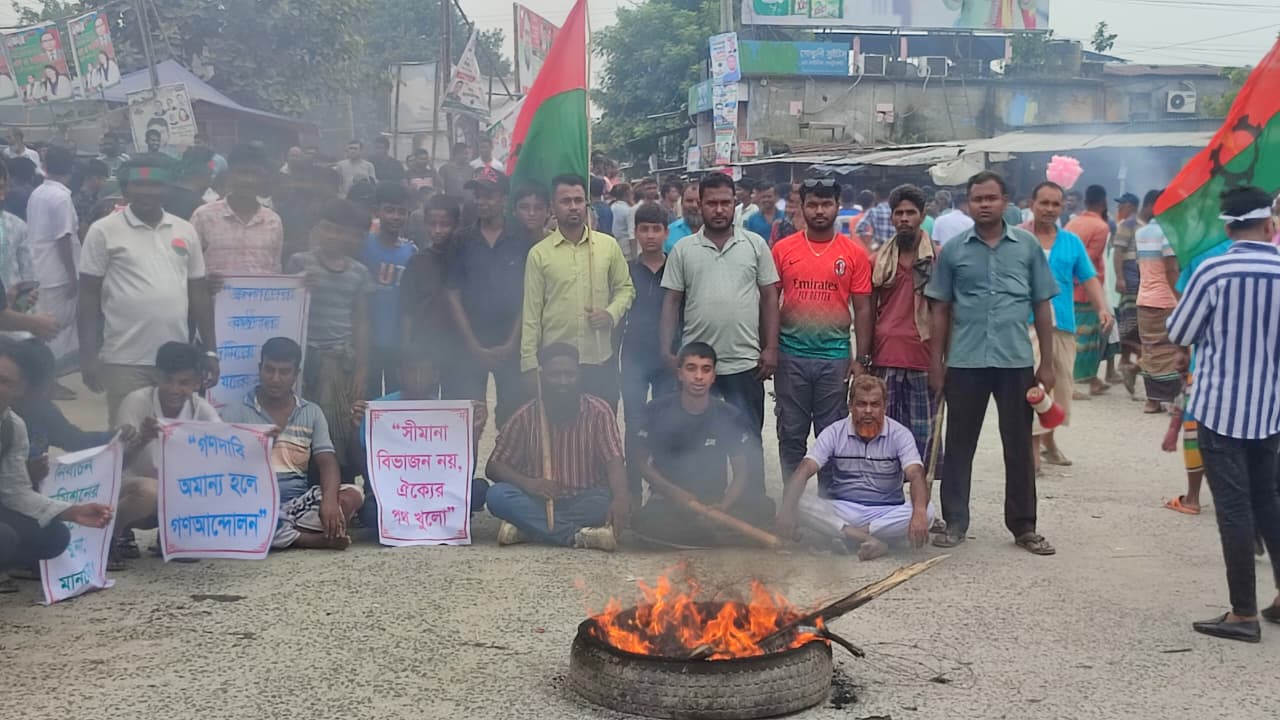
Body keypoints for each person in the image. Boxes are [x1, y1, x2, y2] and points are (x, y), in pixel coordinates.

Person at [924, 170, 1059, 555]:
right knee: (959, 445)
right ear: (968, 203)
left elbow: (1042, 305)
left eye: (991, 198)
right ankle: (954, 522)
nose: (984, 204)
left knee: (1018, 445)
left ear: (1005, 202)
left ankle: (1024, 527)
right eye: (977, 198)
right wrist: (937, 362)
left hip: (1015, 361)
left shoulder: (1028, 247)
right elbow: (940, 310)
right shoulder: (953, 251)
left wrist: (1046, 363)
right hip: (965, 362)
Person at [1167, 186, 1280, 643]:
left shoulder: (1214, 269)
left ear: (1228, 224)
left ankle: (1243, 614)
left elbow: (1181, 329)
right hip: (1271, 406)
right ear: (1269, 222)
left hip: (1218, 406)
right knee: (1269, 501)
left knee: (1234, 507)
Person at [661, 173, 779, 497]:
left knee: (748, 435)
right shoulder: (683, 249)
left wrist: (771, 348)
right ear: (700, 204)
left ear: (735, 204)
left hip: (745, 360)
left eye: (725, 202)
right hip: (698, 364)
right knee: (698, 436)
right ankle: (704, 504)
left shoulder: (755, 245)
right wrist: (667, 351)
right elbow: (671, 301)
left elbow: (770, 296)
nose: (718, 209)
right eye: (711, 202)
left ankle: (752, 504)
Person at [78, 157, 218, 426]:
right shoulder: (103, 230)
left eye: (155, 184)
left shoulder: (185, 229)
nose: (146, 191)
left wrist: (210, 351)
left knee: (176, 438)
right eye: (138, 184)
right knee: (128, 439)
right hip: (124, 359)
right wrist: (87, 355)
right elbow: (87, 296)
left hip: (176, 361)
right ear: (126, 189)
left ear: (167, 188)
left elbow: (199, 293)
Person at [771, 178, 872, 488]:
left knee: (832, 435)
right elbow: (769, 301)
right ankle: (793, 506)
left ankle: (831, 508)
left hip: (835, 358)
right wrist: (770, 348)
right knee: (791, 433)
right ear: (801, 208)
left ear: (837, 207)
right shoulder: (783, 250)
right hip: (791, 355)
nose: (819, 211)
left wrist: (863, 358)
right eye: (812, 204)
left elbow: (864, 308)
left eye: (826, 204)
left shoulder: (854, 253)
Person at [220, 337, 364, 550]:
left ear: (296, 374)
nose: (275, 378)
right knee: (231, 511)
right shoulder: (234, 412)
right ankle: (307, 538)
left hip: (297, 504)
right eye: (269, 370)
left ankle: (279, 533)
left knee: (353, 494)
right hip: (252, 501)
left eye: (284, 372)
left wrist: (330, 502)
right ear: (260, 369)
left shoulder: (311, 412)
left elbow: (327, 462)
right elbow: (223, 467)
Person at [486, 343, 629, 551]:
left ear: (579, 375)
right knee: (497, 495)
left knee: (604, 501)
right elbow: (494, 466)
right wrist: (530, 484)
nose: (563, 382)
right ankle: (577, 536)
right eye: (555, 375)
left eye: (570, 374)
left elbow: (614, 461)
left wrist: (621, 498)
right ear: (542, 377)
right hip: (536, 501)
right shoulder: (526, 415)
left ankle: (528, 529)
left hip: (584, 499)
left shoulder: (599, 411)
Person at [774, 375, 934, 560]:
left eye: (875, 404)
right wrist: (786, 510)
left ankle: (850, 535)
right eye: (861, 404)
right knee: (796, 500)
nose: (868, 411)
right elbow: (804, 470)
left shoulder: (900, 434)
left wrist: (920, 512)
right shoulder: (834, 432)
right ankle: (872, 539)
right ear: (850, 406)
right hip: (844, 508)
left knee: (928, 511)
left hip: (885, 509)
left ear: (884, 406)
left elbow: (916, 475)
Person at [632, 342, 773, 547]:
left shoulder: (728, 415)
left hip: (713, 504)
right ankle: (714, 537)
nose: (698, 376)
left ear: (713, 376)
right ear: (680, 374)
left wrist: (723, 507)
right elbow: (640, 462)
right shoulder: (656, 410)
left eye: (706, 369)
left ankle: (699, 535)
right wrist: (673, 492)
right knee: (643, 521)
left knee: (764, 507)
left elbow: (741, 472)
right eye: (691, 368)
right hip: (668, 502)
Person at [0, 340, 112, 593]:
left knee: (54, 536)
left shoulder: (12, 426)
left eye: (6, 382)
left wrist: (72, 511)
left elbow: (15, 492)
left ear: (22, 388)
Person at [521, 174, 635, 409]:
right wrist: (529, 363)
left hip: (600, 360)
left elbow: (626, 289)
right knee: (562, 439)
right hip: (557, 367)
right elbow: (531, 313)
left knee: (601, 433)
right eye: (565, 201)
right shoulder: (539, 254)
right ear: (553, 207)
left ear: (586, 204)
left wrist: (610, 314)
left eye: (578, 200)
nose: (573, 206)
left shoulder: (607, 246)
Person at [1022, 182, 1113, 472]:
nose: (1049, 209)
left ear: (1063, 207)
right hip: (1024, 324)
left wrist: (1102, 308)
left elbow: (1088, 277)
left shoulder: (1071, 242)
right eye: (1044, 203)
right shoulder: (1016, 237)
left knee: (1061, 387)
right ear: (1031, 203)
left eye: (1055, 204)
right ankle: (1032, 452)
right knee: (1035, 387)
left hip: (1062, 323)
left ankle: (1049, 444)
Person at [350, 343, 490, 526]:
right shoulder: (379, 411)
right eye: (411, 370)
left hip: (436, 493)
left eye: (424, 371)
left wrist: (474, 431)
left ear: (435, 376)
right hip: (394, 495)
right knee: (368, 510)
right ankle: (440, 518)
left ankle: (422, 518)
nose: (417, 377)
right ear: (400, 374)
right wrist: (355, 428)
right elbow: (360, 464)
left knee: (480, 489)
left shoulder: (449, 415)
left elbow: (463, 470)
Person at [112, 341, 221, 563]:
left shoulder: (202, 410)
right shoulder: (136, 402)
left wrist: (262, 440)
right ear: (157, 377)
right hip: (130, 491)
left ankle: (172, 535)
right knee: (150, 492)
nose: (174, 389)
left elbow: (225, 449)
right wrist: (142, 439)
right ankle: (112, 536)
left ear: (198, 383)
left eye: (184, 382)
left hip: (175, 495)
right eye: (168, 380)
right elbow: (114, 464)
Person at [285, 199, 373, 467]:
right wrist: (297, 286)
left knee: (338, 430)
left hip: (338, 363)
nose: (333, 236)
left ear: (348, 235)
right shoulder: (299, 263)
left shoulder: (359, 273)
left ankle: (337, 490)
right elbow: (282, 306)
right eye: (327, 228)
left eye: (339, 230)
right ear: (317, 230)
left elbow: (362, 322)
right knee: (298, 427)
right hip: (302, 361)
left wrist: (361, 369)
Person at [445, 172, 529, 432]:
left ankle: (508, 471)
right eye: (478, 196)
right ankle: (466, 473)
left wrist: (512, 342)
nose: (482, 202)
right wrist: (472, 344)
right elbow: (453, 293)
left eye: (489, 196)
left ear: (504, 199)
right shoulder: (462, 239)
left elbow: (530, 294)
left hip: (511, 341)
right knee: (469, 417)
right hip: (470, 341)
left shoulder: (522, 238)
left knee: (513, 414)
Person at [871, 185, 942, 467]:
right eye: (898, 213)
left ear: (922, 216)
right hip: (885, 356)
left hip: (923, 359)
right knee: (883, 436)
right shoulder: (879, 261)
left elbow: (944, 313)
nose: (904, 218)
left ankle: (920, 502)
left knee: (923, 440)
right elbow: (867, 311)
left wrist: (941, 362)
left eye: (910, 213)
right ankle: (888, 501)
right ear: (891, 218)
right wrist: (864, 358)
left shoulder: (937, 261)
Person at [620, 203, 673, 500]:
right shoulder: (626, 271)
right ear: (636, 233)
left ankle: (661, 488)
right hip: (634, 358)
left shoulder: (676, 270)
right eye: (644, 229)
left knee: (665, 422)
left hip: (668, 359)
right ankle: (632, 488)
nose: (650, 235)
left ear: (666, 232)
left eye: (656, 229)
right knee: (635, 423)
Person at [191, 143, 284, 278]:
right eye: (242, 172)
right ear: (230, 175)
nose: (248, 180)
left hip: (260, 298)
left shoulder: (273, 221)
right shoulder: (203, 216)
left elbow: (275, 271)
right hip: (212, 298)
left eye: (255, 174)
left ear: (264, 178)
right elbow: (191, 269)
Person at [26, 146, 79, 382]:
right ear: (71, 169)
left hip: (40, 269)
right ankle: (48, 380)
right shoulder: (61, 197)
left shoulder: (38, 192)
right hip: (57, 274)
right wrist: (72, 276)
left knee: (44, 327)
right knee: (55, 329)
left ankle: (43, 378)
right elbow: (63, 238)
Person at [360, 183, 416, 397]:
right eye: (390, 210)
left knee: (396, 396)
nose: (395, 216)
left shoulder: (412, 252)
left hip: (397, 341)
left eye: (401, 212)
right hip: (368, 341)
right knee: (368, 396)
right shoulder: (363, 246)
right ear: (377, 211)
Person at [1134, 189, 1183, 413]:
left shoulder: (1141, 232)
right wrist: (1181, 298)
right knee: (1172, 348)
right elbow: (1171, 268)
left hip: (1144, 298)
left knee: (1150, 349)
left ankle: (1152, 400)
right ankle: (1173, 400)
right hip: (1166, 299)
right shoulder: (1169, 232)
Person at [1064, 185, 1112, 397]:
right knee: (1085, 338)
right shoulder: (1100, 227)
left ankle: (1092, 379)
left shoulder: (1073, 222)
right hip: (1085, 291)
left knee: (1082, 336)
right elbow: (1088, 262)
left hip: (1069, 287)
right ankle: (1070, 385)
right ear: (1102, 202)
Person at [401, 194, 459, 360]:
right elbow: (407, 307)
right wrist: (407, 345)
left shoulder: (462, 259)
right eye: (432, 224)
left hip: (456, 345)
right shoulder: (417, 262)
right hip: (424, 344)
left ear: (456, 225)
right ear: (424, 223)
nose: (438, 230)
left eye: (445, 224)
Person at [1110, 192, 1143, 391]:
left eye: (1121, 204)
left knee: (1132, 322)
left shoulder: (1132, 224)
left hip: (1136, 278)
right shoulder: (1127, 225)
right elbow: (1118, 251)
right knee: (1130, 322)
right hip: (1131, 279)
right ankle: (1127, 362)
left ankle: (1126, 362)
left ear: (1130, 205)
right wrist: (1120, 277)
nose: (1119, 208)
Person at [164, 147, 215, 221]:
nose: (212, 178)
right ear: (204, 173)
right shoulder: (201, 210)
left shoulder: (160, 196)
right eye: (211, 173)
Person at [664, 182, 703, 255]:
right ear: (681, 203)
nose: (694, 205)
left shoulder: (717, 232)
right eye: (689, 201)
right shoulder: (668, 233)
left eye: (699, 201)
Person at [855, 184, 894, 250]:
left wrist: (872, 244)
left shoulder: (873, 211)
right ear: (890, 195)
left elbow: (859, 229)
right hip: (896, 250)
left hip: (880, 251)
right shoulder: (897, 210)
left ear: (876, 195)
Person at [608, 183, 635, 260]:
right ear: (627, 193)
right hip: (627, 249)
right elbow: (631, 233)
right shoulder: (628, 210)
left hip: (614, 246)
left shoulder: (612, 207)